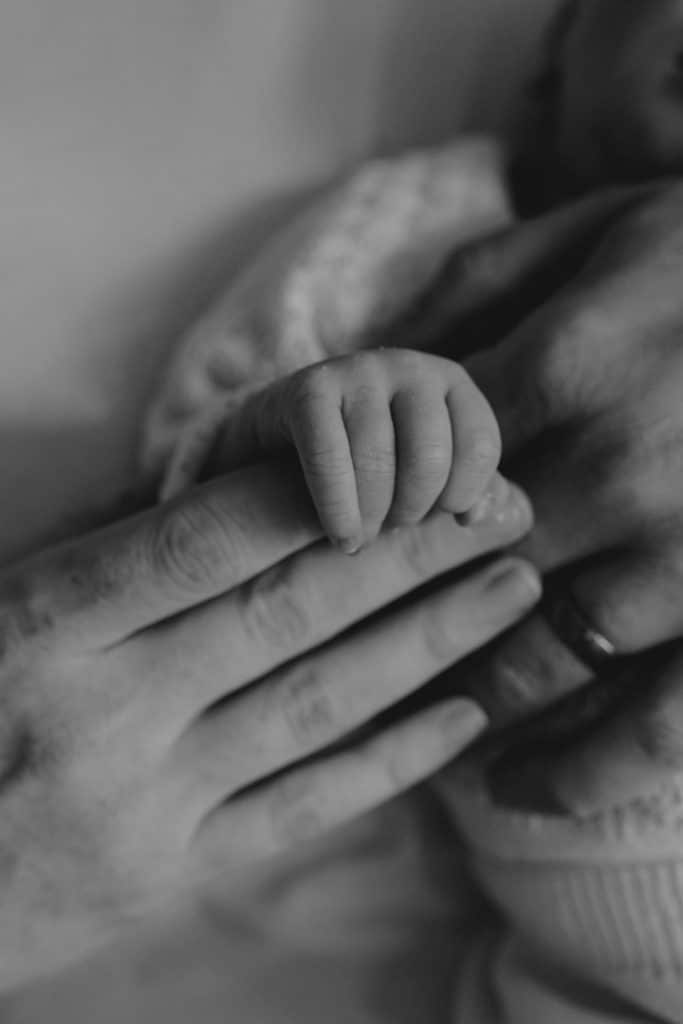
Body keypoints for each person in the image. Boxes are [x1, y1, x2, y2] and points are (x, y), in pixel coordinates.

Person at [3, 3, 683, 1024]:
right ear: (553, 69)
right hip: (576, 911)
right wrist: (328, 425)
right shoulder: (423, 229)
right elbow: (208, 435)